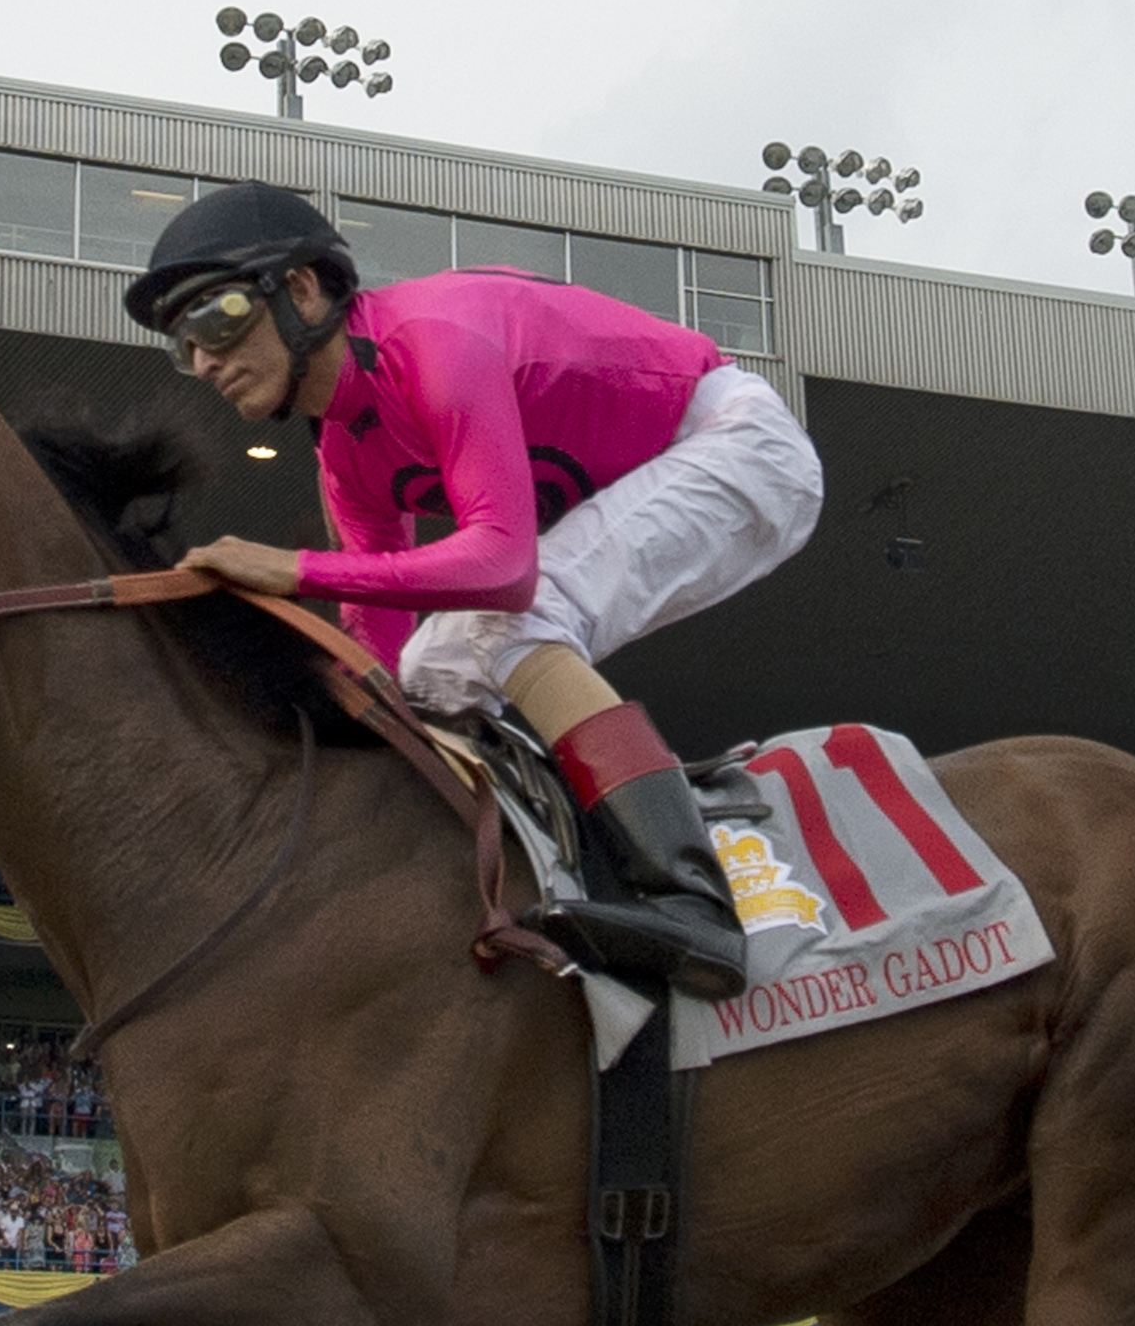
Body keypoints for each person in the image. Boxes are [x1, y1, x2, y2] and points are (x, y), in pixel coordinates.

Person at [125, 183, 824, 1002]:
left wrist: (295, 570)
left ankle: (692, 902)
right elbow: (377, 650)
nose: (203, 361)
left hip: (738, 444)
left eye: (217, 318)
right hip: (667, 469)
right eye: (183, 345)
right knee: (431, 674)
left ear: (303, 290)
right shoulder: (344, 450)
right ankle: (554, 863)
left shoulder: (432, 341)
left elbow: (503, 569)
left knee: (507, 624)